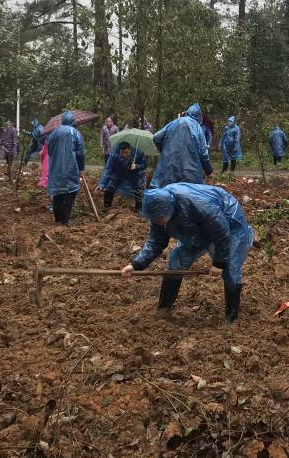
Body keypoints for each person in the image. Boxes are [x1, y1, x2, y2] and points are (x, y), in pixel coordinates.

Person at [121, 183, 253, 324]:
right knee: (176, 260)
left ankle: (231, 319)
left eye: (159, 218)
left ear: (169, 209)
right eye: (154, 219)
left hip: (229, 225)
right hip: (196, 231)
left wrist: (218, 264)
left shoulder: (199, 205)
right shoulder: (158, 214)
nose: (156, 222)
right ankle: (164, 309)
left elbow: (222, 233)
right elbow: (156, 243)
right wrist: (135, 265)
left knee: (230, 268)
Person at [151, 103, 212, 187]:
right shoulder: (198, 128)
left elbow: (156, 137)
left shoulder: (174, 123)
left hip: (169, 167)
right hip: (190, 172)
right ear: (198, 116)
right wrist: (208, 169)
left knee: (167, 193)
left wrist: (163, 149)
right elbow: (203, 152)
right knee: (187, 195)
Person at [47, 111, 87, 225]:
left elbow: (49, 150)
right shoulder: (75, 133)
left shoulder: (54, 133)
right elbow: (80, 153)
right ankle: (65, 220)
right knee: (70, 193)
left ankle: (58, 218)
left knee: (58, 193)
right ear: (72, 121)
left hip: (56, 167)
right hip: (71, 167)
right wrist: (81, 168)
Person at [99, 141, 147, 212]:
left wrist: (136, 166)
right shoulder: (114, 154)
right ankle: (107, 207)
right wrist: (102, 183)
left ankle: (139, 209)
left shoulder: (138, 152)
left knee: (138, 189)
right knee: (110, 188)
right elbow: (108, 169)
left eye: (127, 153)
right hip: (118, 174)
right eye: (122, 153)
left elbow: (144, 165)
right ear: (119, 150)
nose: (124, 155)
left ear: (130, 149)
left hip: (133, 174)